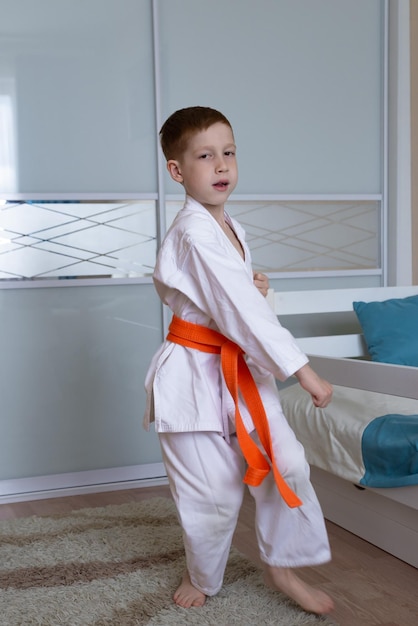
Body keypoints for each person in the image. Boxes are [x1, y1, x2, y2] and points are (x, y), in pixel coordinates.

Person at [143, 106, 334, 615]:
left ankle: (282, 564)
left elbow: (236, 300)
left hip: (240, 372)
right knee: (215, 495)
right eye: (205, 156)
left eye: (228, 153)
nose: (221, 165)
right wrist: (303, 370)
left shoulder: (230, 226)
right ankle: (201, 574)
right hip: (194, 376)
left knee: (287, 463)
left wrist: (258, 287)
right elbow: (236, 308)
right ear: (178, 171)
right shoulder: (192, 230)